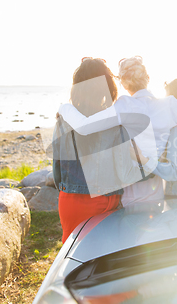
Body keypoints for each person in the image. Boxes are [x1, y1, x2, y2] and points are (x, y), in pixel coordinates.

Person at [58, 56, 177, 206]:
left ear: (124, 84)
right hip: (155, 183)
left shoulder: (124, 105)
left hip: (130, 187)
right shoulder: (170, 104)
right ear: (147, 77)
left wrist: (64, 107)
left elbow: (84, 127)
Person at [52, 58, 144, 243]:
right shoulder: (114, 123)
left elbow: (57, 170)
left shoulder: (63, 120)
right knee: (105, 260)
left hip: (70, 201)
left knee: (74, 260)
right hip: (105, 202)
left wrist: (68, 189)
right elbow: (124, 173)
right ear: (108, 86)